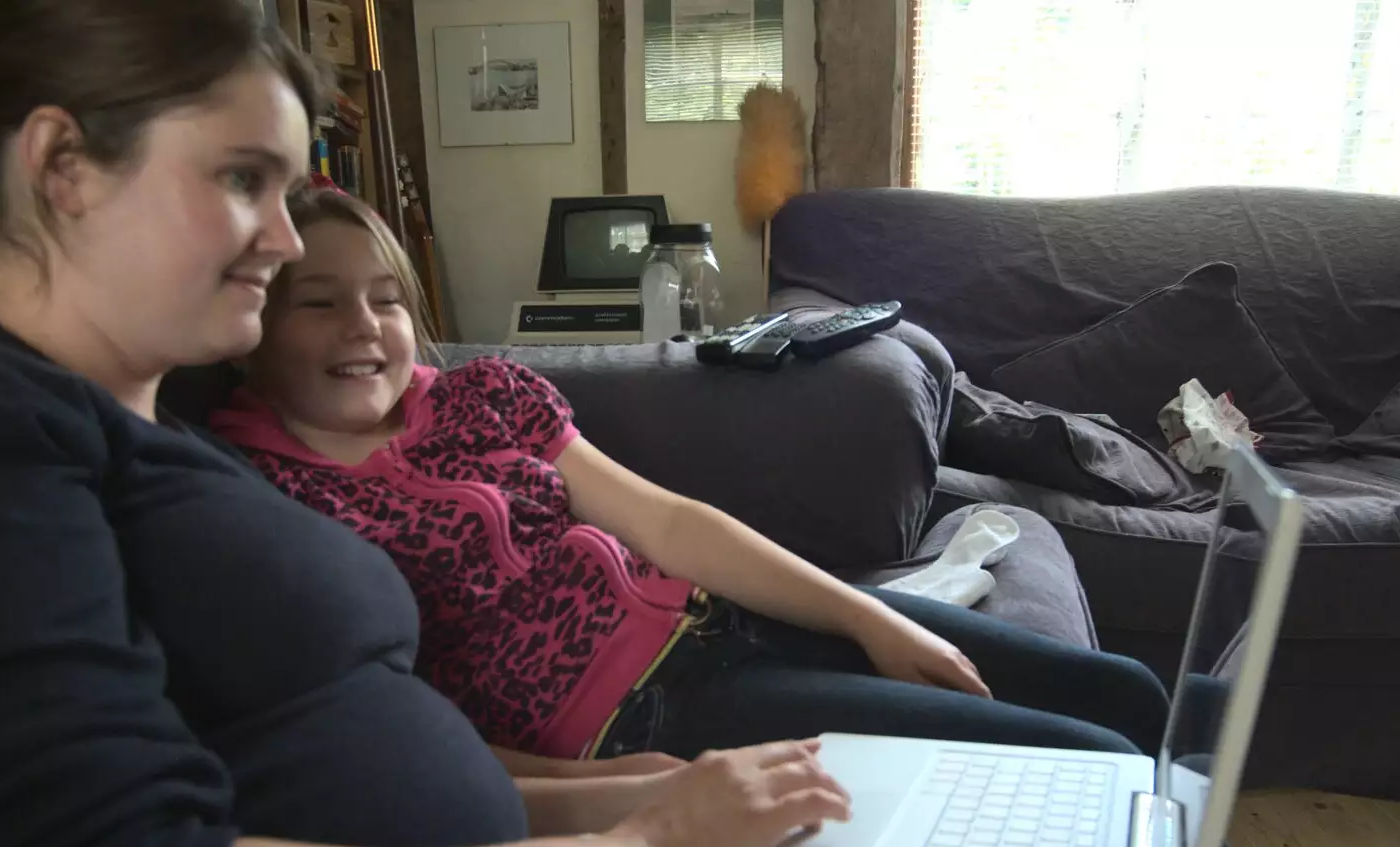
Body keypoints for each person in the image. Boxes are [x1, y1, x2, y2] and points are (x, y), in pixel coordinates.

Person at [0, 3, 1400, 847]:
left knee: (1124, 845)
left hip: (579, 825)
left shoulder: (147, 444)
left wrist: (613, 802)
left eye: (304, 197)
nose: (286, 245)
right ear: (63, 166)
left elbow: (298, 751)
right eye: (244, 185)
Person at [210, 188, 1177, 765]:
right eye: (319, 303)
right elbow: (378, 718)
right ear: (250, 319)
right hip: (644, 720)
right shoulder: (253, 491)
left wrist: (867, 613)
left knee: (1123, 691)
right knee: (1094, 762)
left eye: (384, 299)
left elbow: (669, 522)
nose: (362, 328)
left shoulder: (481, 395)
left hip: (725, 620)